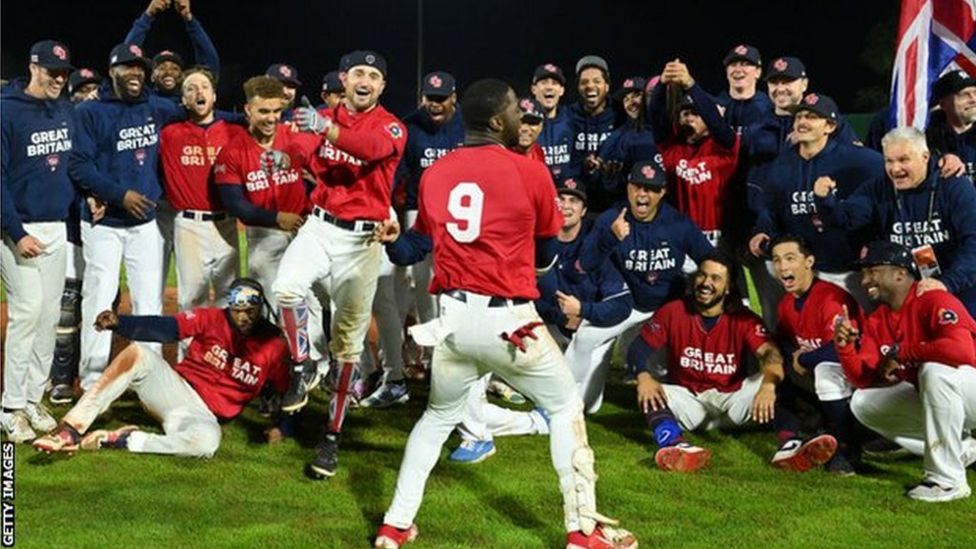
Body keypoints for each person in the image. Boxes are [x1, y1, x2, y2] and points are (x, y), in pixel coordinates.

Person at [370, 77, 636, 549]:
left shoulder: (437, 173)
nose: (521, 114)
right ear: (497, 121)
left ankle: (395, 525)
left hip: (451, 320)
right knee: (563, 406)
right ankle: (583, 533)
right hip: (507, 320)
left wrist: (394, 239)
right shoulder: (529, 170)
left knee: (435, 419)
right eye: (515, 108)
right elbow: (546, 252)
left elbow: (414, 249)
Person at [274, 50, 407, 479]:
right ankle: (302, 364)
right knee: (286, 287)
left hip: (361, 241)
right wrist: (288, 150)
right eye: (358, 73)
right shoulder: (320, 115)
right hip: (319, 224)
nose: (365, 80)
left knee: (347, 345)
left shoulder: (390, 124)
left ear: (382, 85)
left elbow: (368, 150)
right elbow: (298, 148)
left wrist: (324, 129)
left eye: (374, 74)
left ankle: (331, 437)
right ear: (344, 79)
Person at [33, 278, 289, 457]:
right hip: (175, 390)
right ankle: (70, 429)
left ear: (261, 309)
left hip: (206, 416)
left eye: (251, 311)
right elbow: (166, 328)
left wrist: (284, 427)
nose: (244, 317)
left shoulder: (273, 345)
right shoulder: (212, 319)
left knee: (207, 444)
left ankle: (124, 440)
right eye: (238, 310)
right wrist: (121, 323)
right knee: (139, 354)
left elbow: (289, 391)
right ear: (229, 307)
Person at [628, 253, 837, 473]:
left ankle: (789, 446)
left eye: (716, 278)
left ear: (728, 287)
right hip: (690, 402)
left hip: (734, 402)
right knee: (649, 390)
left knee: (775, 376)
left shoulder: (742, 318)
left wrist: (767, 385)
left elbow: (771, 354)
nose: (706, 283)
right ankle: (674, 444)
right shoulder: (674, 311)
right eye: (702, 275)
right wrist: (643, 376)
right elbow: (638, 348)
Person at [69, 42, 183, 390]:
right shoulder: (91, 112)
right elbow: (77, 165)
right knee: (99, 298)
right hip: (104, 225)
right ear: (113, 71)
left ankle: (148, 377)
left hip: (145, 224)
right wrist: (119, 194)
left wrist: (243, 117)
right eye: (127, 67)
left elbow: (201, 113)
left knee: (150, 300)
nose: (136, 73)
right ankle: (92, 381)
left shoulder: (156, 107)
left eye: (140, 67)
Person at [836, 240, 976, 502]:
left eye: (873, 271)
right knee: (864, 402)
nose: (865, 280)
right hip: (948, 397)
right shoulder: (878, 319)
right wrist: (845, 348)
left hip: (971, 387)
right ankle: (964, 450)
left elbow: (962, 351)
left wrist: (902, 352)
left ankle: (948, 482)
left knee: (934, 371)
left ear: (900, 273)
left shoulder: (933, 299)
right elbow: (863, 379)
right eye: (863, 273)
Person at [571, 160, 714, 413]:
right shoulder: (610, 220)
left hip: (667, 307)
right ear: (628, 188)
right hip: (626, 304)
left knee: (663, 371)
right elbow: (585, 264)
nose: (642, 194)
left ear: (662, 193)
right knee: (585, 337)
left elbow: (711, 261)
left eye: (650, 189)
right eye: (637, 187)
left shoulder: (678, 224)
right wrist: (610, 238)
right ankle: (567, 399)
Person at [213, 75, 329, 379]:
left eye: (276, 111)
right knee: (280, 303)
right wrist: (277, 218)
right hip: (265, 235)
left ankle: (319, 361)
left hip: (305, 230)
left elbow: (322, 158)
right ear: (248, 110)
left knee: (315, 299)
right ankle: (291, 364)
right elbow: (236, 205)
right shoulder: (233, 152)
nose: (271, 118)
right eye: (264, 111)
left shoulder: (292, 138)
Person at [814, 126, 976, 316]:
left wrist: (947, 283)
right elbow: (845, 219)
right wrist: (824, 201)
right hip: (904, 297)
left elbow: (973, 243)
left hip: (960, 291)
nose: (895, 168)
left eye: (903, 159)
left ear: (925, 156)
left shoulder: (954, 186)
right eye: (888, 161)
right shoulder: (878, 189)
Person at [1, 39, 76, 442]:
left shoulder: (64, 109)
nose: (59, 79)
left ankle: (32, 397)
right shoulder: (6, 110)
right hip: (16, 229)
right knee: (27, 312)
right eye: (52, 72)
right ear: (33, 68)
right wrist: (16, 232)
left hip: (56, 226)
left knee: (49, 317)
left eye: (63, 73)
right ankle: (10, 406)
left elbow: (72, 163)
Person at [748, 93, 883, 306]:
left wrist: (939, 164)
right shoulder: (781, 165)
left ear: (829, 126)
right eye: (799, 117)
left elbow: (895, 171)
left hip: (849, 272)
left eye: (811, 117)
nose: (802, 122)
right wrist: (762, 230)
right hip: (806, 273)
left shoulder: (859, 160)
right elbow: (770, 208)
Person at [391, 70, 465, 385]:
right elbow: (398, 174)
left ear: (453, 98)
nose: (434, 105)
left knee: (457, 283)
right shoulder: (410, 126)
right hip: (418, 211)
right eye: (430, 99)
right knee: (423, 284)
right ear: (422, 98)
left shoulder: (467, 124)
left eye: (441, 99)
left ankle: (458, 351)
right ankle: (433, 354)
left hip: (461, 214)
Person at [770, 235, 862, 475]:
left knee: (825, 373)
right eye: (777, 260)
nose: (783, 267)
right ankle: (792, 439)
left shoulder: (830, 299)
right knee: (775, 372)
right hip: (815, 370)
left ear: (809, 261)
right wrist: (792, 357)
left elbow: (838, 348)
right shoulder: (787, 303)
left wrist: (802, 359)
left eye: (790, 258)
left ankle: (846, 450)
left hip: (856, 371)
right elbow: (784, 340)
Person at [159, 67, 245, 311]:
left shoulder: (235, 132)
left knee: (229, 298)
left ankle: (223, 350)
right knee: (191, 299)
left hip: (227, 223)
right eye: (191, 88)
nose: (199, 91)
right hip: (189, 225)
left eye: (205, 87)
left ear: (214, 96)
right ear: (183, 100)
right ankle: (189, 351)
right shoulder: (169, 134)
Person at [648, 59, 740, 248]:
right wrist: (661, 85)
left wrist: (690, 85)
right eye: (685, 113)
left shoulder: (724, 147)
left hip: (718, 238)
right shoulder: (671, 147)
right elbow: (655, 117)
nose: (689, 118)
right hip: (680, 235)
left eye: (696, 114)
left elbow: (716, 123)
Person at [123, 0, 221, 102]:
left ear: (182, 76)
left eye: (175, 68)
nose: (168, 72)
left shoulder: (190, 101)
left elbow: (209, 65)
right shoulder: (143, 98)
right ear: (152, 76)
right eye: (161, 68)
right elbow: (126, 57)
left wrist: (189, 18)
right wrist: (148, 15)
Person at [569, 55, 619, 211]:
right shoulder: (567, 116)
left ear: (607, 86)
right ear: (578, 87)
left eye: (597, 81)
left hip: (615, 201)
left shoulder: (621, 114)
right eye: (584, 82)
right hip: (576, 202)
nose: (590, 86)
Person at [926, 70, 976, 181]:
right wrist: (938, 160)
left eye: (975, 93)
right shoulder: (927, 138)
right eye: (964, 95)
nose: (973, 99)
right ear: (943, 104)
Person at [531, 62, 574, 179]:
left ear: (561, 90)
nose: (549, 87)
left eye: (554, 83)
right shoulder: (523, 123)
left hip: (567, 192)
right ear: (534, 89)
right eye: (544, 82)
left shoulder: (573, 119)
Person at [716, 44, 772, 132]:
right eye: (733, 65)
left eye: (745, 64)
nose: (738, 70)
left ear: (758, 72)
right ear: (726, 71)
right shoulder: (715, 106)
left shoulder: (769, 109)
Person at [513, 97, 546, 162]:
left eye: (532, 123)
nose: (525, 128)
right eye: (520, 122)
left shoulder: (538, 151)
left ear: (541, 127)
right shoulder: (500, 154)